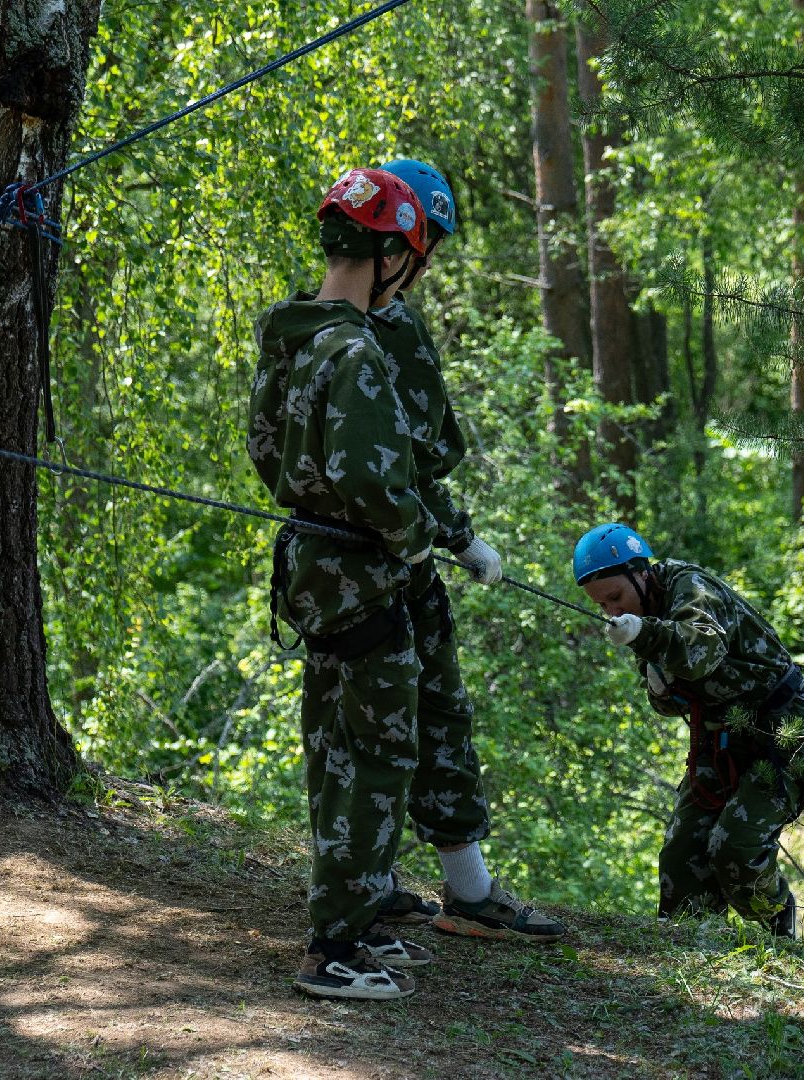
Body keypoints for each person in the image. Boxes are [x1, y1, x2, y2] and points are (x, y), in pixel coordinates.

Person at [248, 167, 441, 1000]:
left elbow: (267, 455)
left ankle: (351, 917)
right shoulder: (357, 350)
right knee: (375, 756)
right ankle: (335, 948)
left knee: (334, 750)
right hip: (362, 572)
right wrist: (422, 538)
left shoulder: (291, 337)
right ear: (391, 254)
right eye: (414, 257)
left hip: (315, 569)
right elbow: (371, 481)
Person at [365, 158, 566, 944]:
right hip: (384, 556)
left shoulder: (378, 318)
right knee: (397, 722)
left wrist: (452, 532)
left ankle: (450, 887)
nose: (428, 260)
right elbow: (405, 458)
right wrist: (456, 534)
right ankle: (401, 885)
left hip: (402, 549)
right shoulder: (356, 328)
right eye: (425, 242)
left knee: (419, 715)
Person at [573, 523, 804, 938]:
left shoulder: (691, 588)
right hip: (721, 739)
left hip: (784, 732)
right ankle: (692, 950)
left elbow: (699, 652)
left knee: (736, 848)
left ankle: (778, 933)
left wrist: (646, 635)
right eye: (602, 606)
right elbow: (669, 704)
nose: (613, 612)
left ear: (643, 573)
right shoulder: (643, 618)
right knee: (681, 855)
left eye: (616, 597)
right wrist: (657, 680)